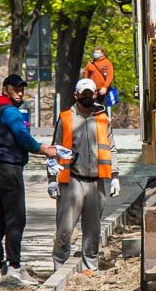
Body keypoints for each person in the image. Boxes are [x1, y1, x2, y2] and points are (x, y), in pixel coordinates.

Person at [0, 73, 58, 286]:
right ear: (5, 88)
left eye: (22, 89)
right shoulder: (11, 113)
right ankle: (15, 267)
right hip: (10, 170)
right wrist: (43, 149)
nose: (20, 92)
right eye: (15, 88)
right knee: (16, 219)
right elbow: (22, 136)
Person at [48, 78, 120, 275]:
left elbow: (111, 147)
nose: (88, 97)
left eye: (91, 93)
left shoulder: (103, 118)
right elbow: (54, 150)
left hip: (97, 183)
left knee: (93, 231)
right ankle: (59, 268)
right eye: (84, 94)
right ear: (76, 96)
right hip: (72, 181)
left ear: (96, 94)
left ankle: (90, 267)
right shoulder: (65, 119)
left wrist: (114, 176)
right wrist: (51, 181)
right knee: (65, 229)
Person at [83, 46, 115, 112]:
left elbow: (110, 76)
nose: (95, 54)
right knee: (92, 109)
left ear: (102, 54)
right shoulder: (90, 64)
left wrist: (105, 87)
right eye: (94, 52)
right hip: (92, 90)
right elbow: (86, 77)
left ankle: (104, 121)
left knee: (102, 109)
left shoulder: (107, 62)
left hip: (103, 90)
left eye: (97, 52)